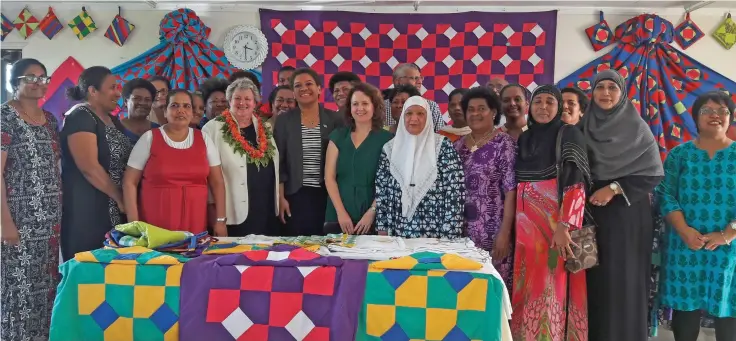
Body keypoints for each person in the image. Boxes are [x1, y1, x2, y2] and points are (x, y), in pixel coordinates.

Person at [583, 69, 664, 341]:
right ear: (592, 93)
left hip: (627, 215)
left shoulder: (637, 128)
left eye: (612, 88)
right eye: (600, 87)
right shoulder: (584, 126)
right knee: (595, 279)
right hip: (592, 214)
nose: (606, 93)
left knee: (624, 279)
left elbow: (653, 173)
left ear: (622, 93)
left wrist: (614, 188)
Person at [511, 85, 591, 341]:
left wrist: (565, 226)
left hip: (554, 225)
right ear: (530, 107)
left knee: (550, 287)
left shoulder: (568, 134)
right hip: (525, 227)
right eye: (538, 102)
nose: (543, 107)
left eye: (550, 102)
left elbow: (577, 184)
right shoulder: (525, 138)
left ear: (559, 107)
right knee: (527, 286)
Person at [656, 91, 736, 341]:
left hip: (729, 248)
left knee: (728, 312)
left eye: (722, 111)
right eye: (707, 111)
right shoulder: (680, 155)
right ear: (695, 118)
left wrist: (727, 234)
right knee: (686, 312)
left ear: (730, 118)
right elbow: (666, 194)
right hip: (686, 246)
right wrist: (685, 231)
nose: (715, 115)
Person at [1, 58, 61, 341]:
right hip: (18, 219)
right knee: (18, 288)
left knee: (46, 284)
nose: (39, 82)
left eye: (43, 77)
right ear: (16, 84)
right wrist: (6, 224)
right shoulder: (4, 117)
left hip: (50, 221)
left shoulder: (50, 120)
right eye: (31, 77)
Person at [122, 90, 226, 235]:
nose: (181, 111)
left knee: (193, 256)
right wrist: (133, 223)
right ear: (165, 111)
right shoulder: (149, 138)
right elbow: (129, 182)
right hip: (154, 225)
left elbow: (217, 182)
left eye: (186, 106)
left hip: (195, 222)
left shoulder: (204, 139)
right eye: (175, 105)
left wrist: (220, 221)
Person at [61, 66, 133, 261]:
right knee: (88, 270)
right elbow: (89, 167)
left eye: (118, 87)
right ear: (93, 91)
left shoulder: (113, 121)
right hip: (88, 209)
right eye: (112, 88)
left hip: (113, 210)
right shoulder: (81, 116)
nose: (118, 93)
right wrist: (119, 197)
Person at [375, 96, 465, 238]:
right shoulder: (390, 149)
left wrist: (450, 234)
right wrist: (382, 227)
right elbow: (382, 190)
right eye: (409, 113)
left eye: (420, 113)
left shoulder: (442, 146)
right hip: (398, 229)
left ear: (428, 116)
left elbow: (454, 191)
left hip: (436, 232)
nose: (414, 119)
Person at [453, 87, 516, 289]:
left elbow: (511, 190)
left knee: (491, 291)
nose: (475, 114)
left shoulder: (503, 144)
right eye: (470, 109)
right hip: (461, 234)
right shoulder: (458, 145)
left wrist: (504, 233)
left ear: (494, 112)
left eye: (482, 108)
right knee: (463, 289)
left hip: (493, 232)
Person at [202, 78, 280, 237]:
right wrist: (217, 217)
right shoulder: (213, 128)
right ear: (229, 100)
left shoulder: (264, 127)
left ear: (255, 103)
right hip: (233, 212)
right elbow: (207, 177)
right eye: (237, 98)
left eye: (247, 99)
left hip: (266, 207)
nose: (242, 103)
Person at [273, 68, 343, 236]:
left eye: (309, 84)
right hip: (295, 195)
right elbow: (279, 162)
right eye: (298, 86)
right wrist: (280, 198)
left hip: (327, 195)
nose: (304, 88)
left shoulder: (335, 119)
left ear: (319, 89)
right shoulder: (284, 121)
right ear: (294, 92)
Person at [324, 83, 393, 235]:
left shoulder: (387, 140)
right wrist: (341, 213)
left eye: (365, 103)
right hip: (338, 215)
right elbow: (329, 178)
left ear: (374, 106)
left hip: (373, 217)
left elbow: (389, 182)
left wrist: (372, 212)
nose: (359, 108)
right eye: (355, 104)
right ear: (349, 108)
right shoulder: (338, 136)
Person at [383, 63, 445, 132]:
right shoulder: (381, 107)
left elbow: (440, 135)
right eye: (413, 78)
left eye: (420, 78)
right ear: (398, 81)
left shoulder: (431, 106)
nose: (419, 82)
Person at [120, 78, 160, 143]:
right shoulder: (115, 129)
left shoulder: (158, 130)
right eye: (137, 98)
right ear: (125, 102)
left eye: (147, 99)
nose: (142, 103)